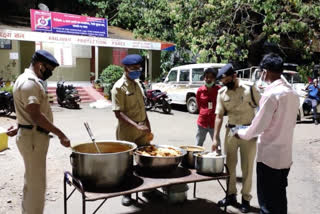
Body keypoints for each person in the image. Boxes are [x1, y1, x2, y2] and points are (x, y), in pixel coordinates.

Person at [6, 50, 70, 214]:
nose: (49, 73)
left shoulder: (25, 79)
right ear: (40, 65)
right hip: (33, 138)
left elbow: (26, 111)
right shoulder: (30, 83)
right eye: (49, 69)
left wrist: (19, 124)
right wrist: (60, 134)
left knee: (32, 181)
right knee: (36, 185)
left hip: (29, 134)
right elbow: (35, 115)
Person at [235, 53, 300, 214]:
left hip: (269, 159)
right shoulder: (292, 93)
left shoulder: (271, 95)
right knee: (279, 199)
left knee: (267, 205)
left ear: (267, 71)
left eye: (262, 71)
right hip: (285, 158)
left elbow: (256, 128)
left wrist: (239, 132)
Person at [212, 63, 261, 213]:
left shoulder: (250, 88)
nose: (225, 84)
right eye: (223, 82)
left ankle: (246, 199)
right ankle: (230, 195)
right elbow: (219, 116)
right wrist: (215, 138)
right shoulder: (221, 93)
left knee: (247, 167)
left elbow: (262, 108)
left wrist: (260, 130)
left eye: (227, 80)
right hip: (231, 132)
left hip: (248, 131)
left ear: (234, 76)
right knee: (230, 166)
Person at [111, 54, 152, 206]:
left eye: (138, 68)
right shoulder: (118, 87)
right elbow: (118, 113)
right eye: (134, 68)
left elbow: (143, 108)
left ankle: (148, 189)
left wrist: (148, 124)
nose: (137, 71)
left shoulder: (137, 84)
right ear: (125, 68)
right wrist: (136, 126)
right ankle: (127, 193)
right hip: (127, 130)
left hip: (141, 128)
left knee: (146, 159)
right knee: (126, 164)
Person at [195, 67, 220, 146]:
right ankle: (196, 158)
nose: (209, 79)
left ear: (215, 79)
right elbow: (199, 105)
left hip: (214, 123)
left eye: (211, 77)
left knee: (217, 145)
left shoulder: (219, 90)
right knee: (198, 145)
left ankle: (217, 158)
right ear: (204, 78)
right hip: (202, 123)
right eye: (206, 77)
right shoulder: (200, 91)